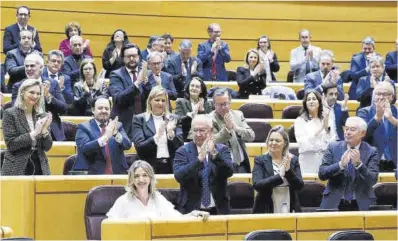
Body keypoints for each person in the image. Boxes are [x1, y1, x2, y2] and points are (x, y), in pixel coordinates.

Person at [107, 160, 210, 220]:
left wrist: (193, 214)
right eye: (137, 176)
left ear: (151, 178)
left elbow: (177, 219)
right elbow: (110, 226)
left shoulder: (158, 198)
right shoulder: (123, 201)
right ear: (131, 179)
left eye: (144, 175)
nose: (141, 180)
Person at [173, 114, 233, 215]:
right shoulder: (182, 151)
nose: (198, 134)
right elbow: (179, 176)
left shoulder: (222, 149)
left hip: (218, 209)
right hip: (191, 209)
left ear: (210, 131)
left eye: (202, 130)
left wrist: (214, 154)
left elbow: (229, 172)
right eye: (195, 130)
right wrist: (199, 160)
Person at [318, 117, 380, 211]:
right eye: (346, 129)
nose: (347, 132)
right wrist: (340, 165)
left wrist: (359, 165)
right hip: (334, 202)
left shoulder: (372, 151)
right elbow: (322, 174)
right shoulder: (333, 147)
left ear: (362, 133)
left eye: (352, 129)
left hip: (361, 203)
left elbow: (372, 179)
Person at [1, 79, 52, 175]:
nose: (35, 96)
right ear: (22, 92)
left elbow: (47, 147)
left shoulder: (42, 115)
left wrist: (44, 130)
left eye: (38, 93)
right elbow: (11, 144)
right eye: (32, 92)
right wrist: (34, 133)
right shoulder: (10, 113)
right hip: (16, 165)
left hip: (40, 165)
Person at [12, 53, 67, 141]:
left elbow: (63, 109)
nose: (29, 69)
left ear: (41, 67)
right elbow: (14, 110)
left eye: (32, 66)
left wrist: (48, 96)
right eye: (26, 66)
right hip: (27, 130)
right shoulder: (18, 86)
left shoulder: (52, 83)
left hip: (52, 131)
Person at [131, 86, 184, 174]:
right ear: (150, 101)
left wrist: (171, 134)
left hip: (171, 166)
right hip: (148, 167)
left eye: (163, 101)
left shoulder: (174, 119)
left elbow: (181, 147)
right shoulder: (139, 119)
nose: (160, 103)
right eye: (157, 100)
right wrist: (157, 136)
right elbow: (140, 148)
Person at [252, 126, 304, 213]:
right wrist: (279, 176)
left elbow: (299, 185)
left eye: (277, 140)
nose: (273, 143)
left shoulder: (292, 160)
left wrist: (288, 172)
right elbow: (257, 185)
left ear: (285, 143)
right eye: (271, 140)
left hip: (289, 203)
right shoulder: (260, 160)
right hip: (266, 207)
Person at [74, 96, 132, 174]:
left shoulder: (117, 126)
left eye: (107, 108)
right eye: (100, 108)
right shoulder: (83, 127)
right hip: (91, 174)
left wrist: (116, 134)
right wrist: (105, 137)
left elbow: (127, 145)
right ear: (93, 110)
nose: (104, 111)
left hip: (117, 173)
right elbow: (85, 149)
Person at [109, 43, 151, 140]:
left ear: (139, 57)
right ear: (123, 58)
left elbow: (152, 97)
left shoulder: (147, 73)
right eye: (128, 56)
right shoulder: (116, 75)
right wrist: (137, 83)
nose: (132, 59)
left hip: (144, 123)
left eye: (134, 56)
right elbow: (118, 98)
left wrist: (146, 84)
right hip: (124, 124)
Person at [210, 88, 255, 173]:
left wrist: (236, 128)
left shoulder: (238, 114)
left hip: (241, 165)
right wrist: (227, 129)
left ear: (230, 102)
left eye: (225, 104)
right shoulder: (209, 119)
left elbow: (251, 136)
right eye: (219, 104)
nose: (223, 107)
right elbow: (213, 140)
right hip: (221, 168)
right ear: (214, 104)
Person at [357, 82, 397, 172]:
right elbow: (361, 136)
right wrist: (377, 118)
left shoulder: (396, 112)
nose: (381, 97)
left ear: (392, 97)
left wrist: (392, 119)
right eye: (378, 94)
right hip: (372, 162)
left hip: (394, 162)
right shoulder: (363, 112)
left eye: (385, 94)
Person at [294, 90, 333, 174]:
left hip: (324, 161)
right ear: (305, 104)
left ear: (319, 102)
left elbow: (330, 142)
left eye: (314, 99)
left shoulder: (327, 120)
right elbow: (304, 145)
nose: (311, 101)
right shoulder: (300, 121)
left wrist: (326, 126)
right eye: (309, 99)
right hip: (307, 161)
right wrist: (320, 129)